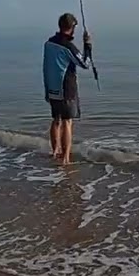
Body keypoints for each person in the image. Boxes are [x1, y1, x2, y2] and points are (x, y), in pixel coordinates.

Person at [43, 12, 92, 164]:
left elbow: (45, 66)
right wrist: (87, 45)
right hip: (66, 90)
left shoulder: (48, 43)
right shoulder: (67, 46)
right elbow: (85, 63)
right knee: (67, 122)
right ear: (72, 28)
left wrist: (46, 89)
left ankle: (55, 152)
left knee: (55, 120)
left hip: (51, 88)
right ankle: (65, 159)